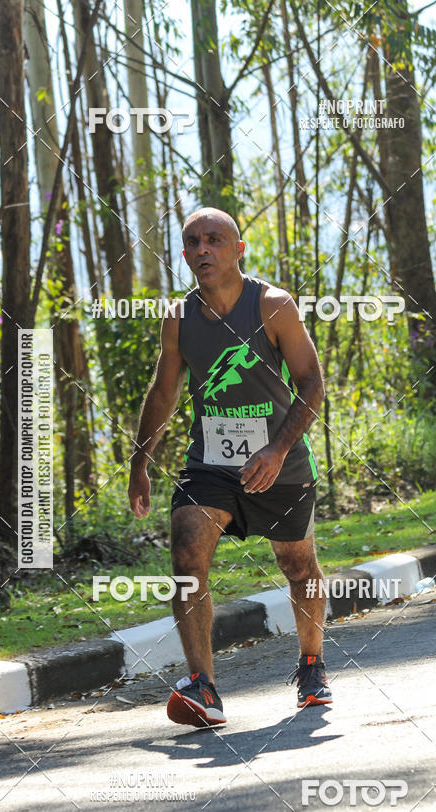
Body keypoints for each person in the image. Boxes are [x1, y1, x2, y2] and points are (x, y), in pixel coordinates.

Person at [128, 207, 331, 727]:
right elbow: (163, 391)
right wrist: (140, 461)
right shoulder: (179, 318)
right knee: (187, 550)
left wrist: (279, 449)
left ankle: (312, 664)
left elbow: (312, 385)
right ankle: (205, 687)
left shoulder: (273, 305)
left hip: (280, 460)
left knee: (297, 565)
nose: (202, 250)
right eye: (192, 242)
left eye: (214, 240)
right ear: (184, 254)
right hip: (212, 464)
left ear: (238, 249)